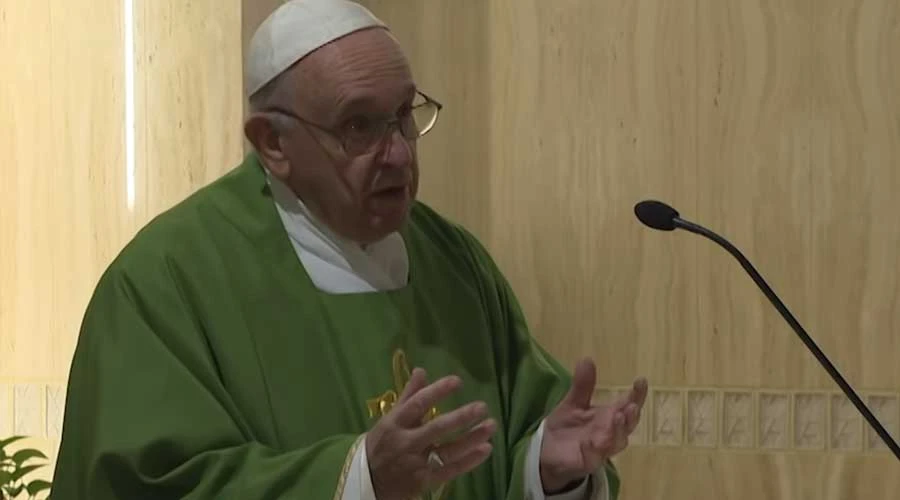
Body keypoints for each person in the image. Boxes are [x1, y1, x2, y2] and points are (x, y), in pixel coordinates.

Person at [52, 1, 648, 499]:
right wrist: (360, 478)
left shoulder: (458, 267)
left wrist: (547, 468)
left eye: (404, 118)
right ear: (273, 143)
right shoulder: (165, 284)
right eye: (359, 127)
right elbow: (144, 485)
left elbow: (513, 446)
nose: (398, 155)